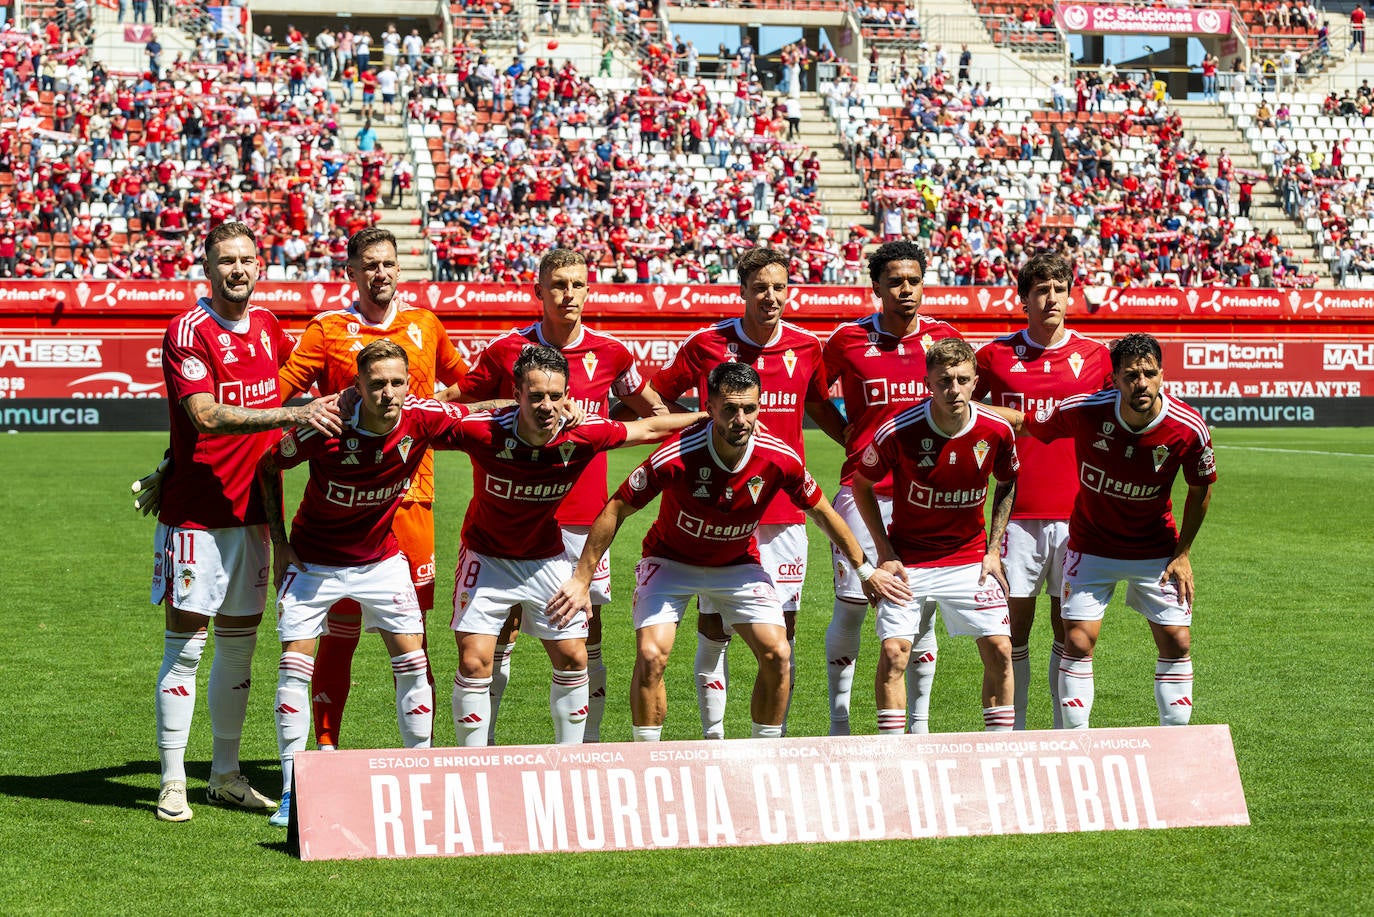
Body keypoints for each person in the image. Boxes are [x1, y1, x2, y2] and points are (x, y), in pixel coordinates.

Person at [548, 363, 911, 741]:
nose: (741, 419)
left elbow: (822, 512)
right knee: (653, 656)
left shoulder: (778, 458)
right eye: (730, 409)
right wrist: (581, 578)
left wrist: (867, 571)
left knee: (778, 653)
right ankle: (647, 755)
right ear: (710, 406)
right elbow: (616, 507)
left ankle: (764, 754)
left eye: (750, 409)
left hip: (737, 565)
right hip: (670, 561)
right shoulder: (677, 453)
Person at [150, 222, 343, 822]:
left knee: (239, 649)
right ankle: (173, 777)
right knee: (186, 648)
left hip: (256, 515)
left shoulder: (267, 327)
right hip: (199, 518)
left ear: (260, 266)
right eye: (226, 261)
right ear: (207, 269)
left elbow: (305, 387)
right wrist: (294, 412)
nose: (238, 269)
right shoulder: (188, 330)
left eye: (247, 260)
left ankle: (226, 775)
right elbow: (204, 416)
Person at [454, 248, 667, 743]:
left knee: (584, 640)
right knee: (499, 634)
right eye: (557, 285)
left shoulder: (613, 352)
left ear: (587, 289)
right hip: (517, 519)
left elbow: (648, 408)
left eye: (577, 284)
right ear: (539, 292)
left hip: (584, 523)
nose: (568, 294)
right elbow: (464, 400)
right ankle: (479, 752)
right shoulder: (506, 350)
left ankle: (583, 752)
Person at [448, 346, 706, 747]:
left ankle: (570, 762)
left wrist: (711, 417)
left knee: (574, 656)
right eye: (535, 396)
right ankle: (472, 766)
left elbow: (650, 429)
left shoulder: (583, 433)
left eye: (555, 396)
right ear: (517, 394)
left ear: (568, 396)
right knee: (474, 660)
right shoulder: (482, 430)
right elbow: (416, 421)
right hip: (486, 557)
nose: (546, 406)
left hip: (546, 558)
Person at [638, 246, 845, 739]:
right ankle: (714, 737)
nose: (770, 297)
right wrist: (688, 447)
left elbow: (818, 405)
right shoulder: (707, 343)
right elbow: (658, 393)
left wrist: (855, 444)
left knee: (781, 637)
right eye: (760, 288)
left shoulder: (806, 346)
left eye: (778, 287)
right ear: (743, 290)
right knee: (715, 629)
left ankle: (769, 741)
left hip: (784, 511)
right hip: (720, 506)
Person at [276, 227, 471, 752]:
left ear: (398, 269)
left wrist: (432, 409)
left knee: (412, 637)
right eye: (369, 266)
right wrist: (307, 413)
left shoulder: (426, 325)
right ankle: (324, 753)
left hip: (413, 496)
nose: (380, 274)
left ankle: (420, 759)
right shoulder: (327, 330)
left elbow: (468, 384)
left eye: (388, 264)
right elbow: (279, 395)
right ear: (353, 273)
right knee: (337, 633)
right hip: (347, 501)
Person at [258, 341, 466, 827]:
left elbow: (479, 412)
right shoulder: (323, 428)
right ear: (358, 385)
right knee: (294, 668)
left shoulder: (422, 419)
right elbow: (269, 465)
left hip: (380, 559)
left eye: (398, 383)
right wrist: (280, 543)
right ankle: (293, 791)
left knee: (414, 662)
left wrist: (541, 405)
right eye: (377, 384)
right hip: (313, 562)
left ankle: (421, 779)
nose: (389, 393)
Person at [1010, 333, 1216, 729]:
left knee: (1178, 641)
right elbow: (1030, 425)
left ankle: (1175, 742)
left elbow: (1201, 490)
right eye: (1130, 376)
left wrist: (1183, 552)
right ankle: (1075, 743)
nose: (1141, 383)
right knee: (1078, 641)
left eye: (1149, 374)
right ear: (1114, 378)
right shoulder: (1084, 410)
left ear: (1162, 374)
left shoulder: (1188, 427)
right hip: (1092, 546)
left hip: (1156, 549)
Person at [821, 240, 961, 735]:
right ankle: (840, 725)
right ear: (877, 286)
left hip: (926, 496)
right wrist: (847, 436)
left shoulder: (944, 338)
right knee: (854, 603)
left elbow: (963, 404)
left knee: (919, 614)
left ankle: (917, 729)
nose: (906, 290)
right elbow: (815, 395)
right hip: (864, 492)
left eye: (914, 280)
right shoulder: (847, 340)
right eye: (895, 281)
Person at [973, 252, 1110, 729]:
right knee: (1011, 631)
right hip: (1016, 515)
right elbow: (961, 409)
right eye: (1040, 290)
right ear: (1023, 298)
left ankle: (1063, 734)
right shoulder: (994, 356)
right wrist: (1012, 419)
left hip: (1080, 514)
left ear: (1070, 296)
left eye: (1058, 289)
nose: (1050, 298)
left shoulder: (1098, 357)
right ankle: (1016, 732)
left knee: (1071, 630)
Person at [854, 338, 1020, 733]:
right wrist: (884, 549)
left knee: (1000, 649)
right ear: (928, 381)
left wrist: (993, 549)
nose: (954, 389)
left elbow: (1008, 480)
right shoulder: (898, 429)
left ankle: (999, 752)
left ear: (976, 381)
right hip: (909, 561)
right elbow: (861, 485)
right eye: (944, 380)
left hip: (968, 560)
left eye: (963, 379)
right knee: (895, 653)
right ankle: (895, 759)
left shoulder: (996, 430)